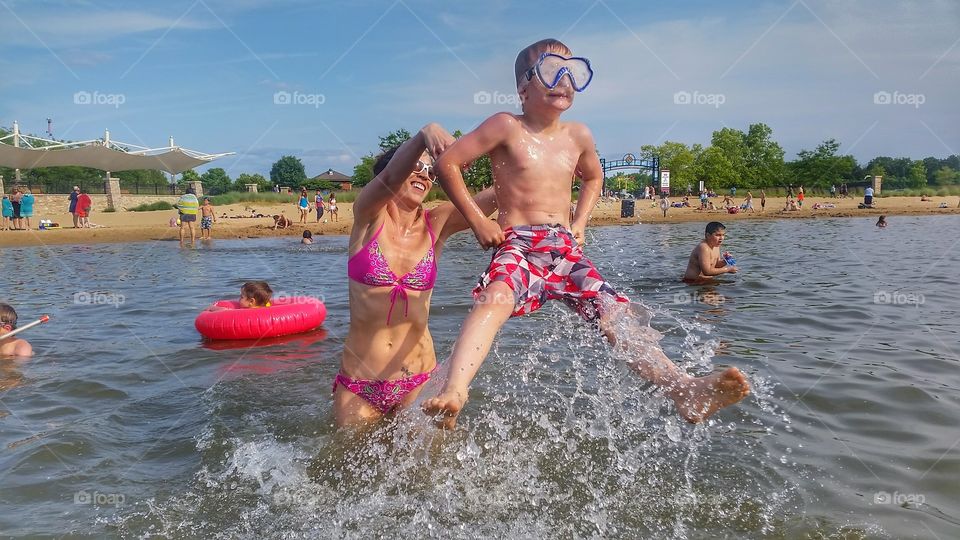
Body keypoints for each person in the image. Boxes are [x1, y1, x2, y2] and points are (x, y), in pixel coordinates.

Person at [425, 38, 750, 428]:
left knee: (614, 315)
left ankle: (684, 390)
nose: (564, 80)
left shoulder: (578, 135)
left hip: (564, 246)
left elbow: (594, 178)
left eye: (573, 72)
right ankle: (456, 389)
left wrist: (580, 222)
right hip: (519, 243)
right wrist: (479, 220)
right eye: (551, 71)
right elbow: (448, 163)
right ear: (523, 87)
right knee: (493, 299)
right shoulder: (506, 126)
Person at [334, 123, 497, 426]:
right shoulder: (368, 217)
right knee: (346, 456)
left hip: (419, 378)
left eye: (431, 171)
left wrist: (522, 154)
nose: (425, 175)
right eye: (417, 167)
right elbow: (389, 178)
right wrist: (426, 133)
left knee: (432, 457)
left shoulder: (437, 223)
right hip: (360, 383)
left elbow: (496, 196)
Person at [206, 281, 274, 312]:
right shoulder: (266, 306)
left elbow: (225, 310)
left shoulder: (246, 311)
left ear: (251, 301)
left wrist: (212, 307)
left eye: (242, 297)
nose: (239, 299)